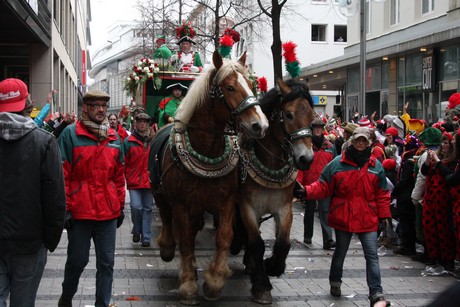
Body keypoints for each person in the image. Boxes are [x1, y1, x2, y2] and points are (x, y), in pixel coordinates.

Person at [294, 127, 391, 307]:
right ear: (352, 141)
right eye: (358, 140)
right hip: (343, 217)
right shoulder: (337, 163)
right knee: (340, 253)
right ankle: (335, 281)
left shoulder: (375, 166)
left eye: (364, 140)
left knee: (372, 256)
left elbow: (382, 193)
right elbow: (323, 186)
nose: (361, 143)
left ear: (368, 143)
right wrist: (305, 191)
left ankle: (376, 293)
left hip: (367, 218)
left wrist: (384, 215)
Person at [0, 78, 66, 306]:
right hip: (29, 242)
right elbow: (56, 199)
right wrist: (50, 239)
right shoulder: (44, 142)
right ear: (26, 103)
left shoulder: (43, 141)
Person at [57, 89, 126, 307]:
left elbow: (118, 176)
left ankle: (102, 304)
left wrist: (120, 205)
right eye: (96, 105)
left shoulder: (114, 138)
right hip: (80, 211)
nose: (101, 110)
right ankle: (67, 296)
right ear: (85, 108)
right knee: (77, 261)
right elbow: (63, 176)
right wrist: (66, 209)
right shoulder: (70, 134)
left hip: (107, 212)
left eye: (104, 106)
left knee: (106, 264)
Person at [296, 118, 336, 250]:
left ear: (323, 129)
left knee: (325, 212)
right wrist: (299, 184)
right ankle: (308, 236)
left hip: (325, 185)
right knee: (309, 212)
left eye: (320, 127)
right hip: (309, 185)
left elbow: (336, 167)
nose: (318, 129)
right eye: (315, 127)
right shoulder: (307, 146)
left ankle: (328, 240)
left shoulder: (330, 147)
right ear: (312, 129)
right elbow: (301, 167)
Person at [420, 132, 456, 272]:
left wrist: (437, 160)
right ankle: (434, 256)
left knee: (443, 230)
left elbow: (448, 174)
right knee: (429, 227)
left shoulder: (452, 161)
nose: (443, 145)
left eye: (446, 143)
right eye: (443, 142)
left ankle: (447, 259)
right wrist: (429, 161)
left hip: (444, 200)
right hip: (430, 197)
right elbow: (424, 172)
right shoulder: (436, 157)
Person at [123, 112, 155, 247]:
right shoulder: (128, 142)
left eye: (145, 122)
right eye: (140, 121)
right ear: (135, 123)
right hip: (134, 180)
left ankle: (146, 237)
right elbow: (123, 161)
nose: (142, 124)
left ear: (148, 124)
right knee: (135, 207)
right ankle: (137, 230)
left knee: (147, 208)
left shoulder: (153, 141)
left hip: (149, 180)